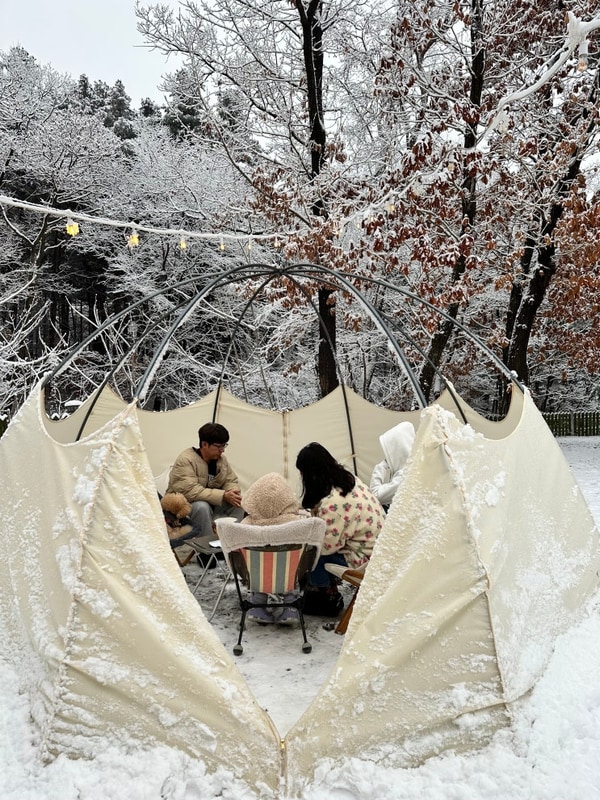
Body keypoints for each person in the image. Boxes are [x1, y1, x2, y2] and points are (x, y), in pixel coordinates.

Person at [295, 442, 385, 616]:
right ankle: (325, 588)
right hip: (379, 548)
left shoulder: (333, 504)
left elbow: (326, 546)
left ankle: (325, 595)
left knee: (312, 554)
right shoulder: (348, 480)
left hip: (365, 560)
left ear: (312, 474)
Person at [241, 471, 316, 625]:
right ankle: (290, 606)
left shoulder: (246, 527)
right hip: (288, 575)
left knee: (257, 564)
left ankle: (257, 603)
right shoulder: (299, 525)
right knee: (292, 563)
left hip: (256, 575)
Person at [166, 422, 244, 561]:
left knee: (238, 503)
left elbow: (230, 480)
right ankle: (206, 552)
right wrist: (223, 495)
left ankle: (229, 546)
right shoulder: (186, 460)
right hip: (182, 509)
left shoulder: (221, 460)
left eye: (224, 445)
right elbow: (190, 491)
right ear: (204, 444)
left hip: (211, 503)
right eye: (218, 446)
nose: (222, 450)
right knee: (201, 506)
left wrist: (232, 492)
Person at [369, 420, 416, 511]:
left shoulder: (405, 475)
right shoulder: (412, 469)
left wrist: (379, 469)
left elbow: (375, 496)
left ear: (398, 452)